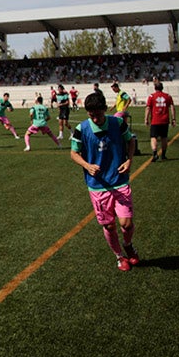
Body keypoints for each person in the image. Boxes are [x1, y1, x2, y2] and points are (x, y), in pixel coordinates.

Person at [69, 92, 140, 271]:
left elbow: (130, 141)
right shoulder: (82, 128)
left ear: (104, 109)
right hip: (97, 185)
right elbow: (73, 153)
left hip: (119, 180)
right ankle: (119, 256)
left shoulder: (117, 123)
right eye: (91, 115)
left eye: (98, 114)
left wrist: (129, 160)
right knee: (108, 225)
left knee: (126, 223)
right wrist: (87, 165)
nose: (95, 118)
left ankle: (128, 244)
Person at [144, 81, 176, 162]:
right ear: (162, 88)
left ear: (155, 88)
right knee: (164, 137)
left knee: (153, 137)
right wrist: (173, 119)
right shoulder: (168, 96)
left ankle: (155, 153)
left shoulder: (151, 96)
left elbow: (148, 108)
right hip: (165, 120)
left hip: (155, 120)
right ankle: (164, 155)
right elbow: (172, 107)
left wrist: (146, 118)